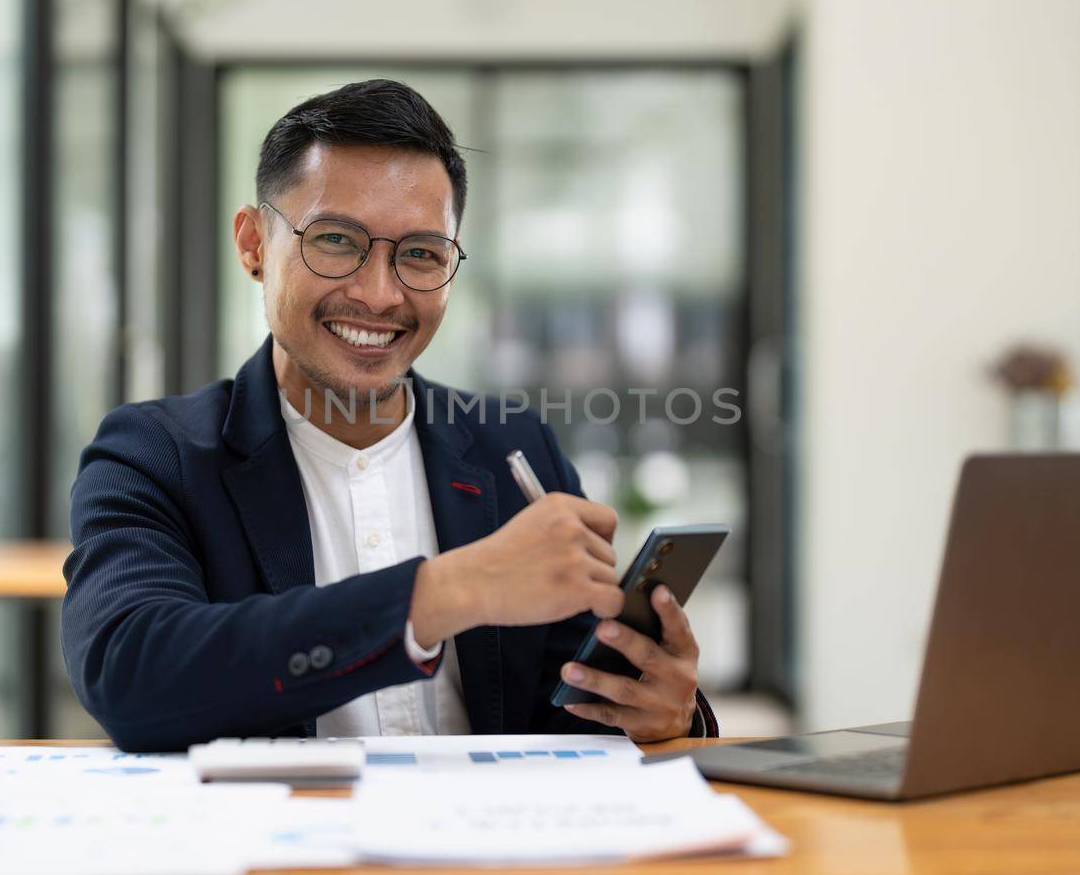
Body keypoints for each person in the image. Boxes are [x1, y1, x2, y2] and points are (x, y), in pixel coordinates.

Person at [62, 78, 716, 752]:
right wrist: (442, 593)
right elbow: (129, 673)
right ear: (254, 243)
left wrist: (661, 709)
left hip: (491, 847)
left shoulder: (513, 448)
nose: (379, 294)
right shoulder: (155, 454)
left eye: (421, 254)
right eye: (337, 241)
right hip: (285, 846)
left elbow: (571, 705)